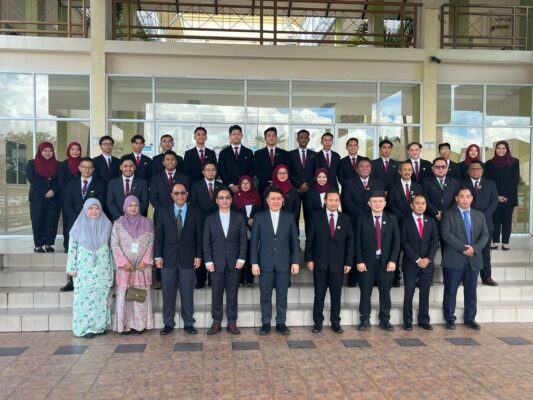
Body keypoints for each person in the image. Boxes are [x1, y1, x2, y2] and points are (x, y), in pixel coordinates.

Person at [155, 183, 203, 336]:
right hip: (167, 258)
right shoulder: (162, 212)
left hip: (188, 258)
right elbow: (159, 236)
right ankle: (168, 323)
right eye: (176, 193)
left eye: (182, 193)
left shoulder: (196, 212)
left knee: (187, 292)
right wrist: (158, 256)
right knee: (168, 292)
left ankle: (188, 322)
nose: (180, 196)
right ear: (172, 195)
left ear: (187, 194)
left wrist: (198, 255)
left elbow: (199, 237)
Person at [251, 186, 300, 336]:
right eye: (272, 198)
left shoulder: (289, 217)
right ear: (267, 201)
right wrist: (254, 262)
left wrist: (296, 261)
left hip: (284, 263)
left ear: (283, 200)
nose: (276, 201)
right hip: (265, 263)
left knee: (282, 295)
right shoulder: (259, 217)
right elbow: (254, 242)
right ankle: (265, 322)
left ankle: (281, 322)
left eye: (279, 198)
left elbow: (294, 242)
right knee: (265, 295)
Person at [440, 187, 489, 330]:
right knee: (450, 290)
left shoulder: (479, 215)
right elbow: (446, 234)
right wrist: (464, 248)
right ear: (456, 198)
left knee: (471, 291)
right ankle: (449, 318)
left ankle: (470, 318)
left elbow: (485, 235)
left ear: (472, 199)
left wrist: (474, 249)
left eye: (468, 196)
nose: (465, 199)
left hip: (473, 259)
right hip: (454, 259)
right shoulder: (448, 214)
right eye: (462, 196)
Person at [305, 190, 354, 333]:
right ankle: (317, 322)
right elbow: (310, 240)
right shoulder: (316, 217)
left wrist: (348, 262)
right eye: (331, 200)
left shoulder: (345, 219)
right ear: (325, 201)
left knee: (336, 294)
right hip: (320, 262)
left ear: (339, 202)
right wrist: (309, 258)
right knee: (319, 294)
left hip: (338, 264)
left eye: (336, 200)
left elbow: (350, 242)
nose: (333, 203)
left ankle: (335, 322)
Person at [203, 187, 248, 335]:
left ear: (231, 199)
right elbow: (206, 242)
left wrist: (241, 258)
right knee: (216, 293)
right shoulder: (210, 219)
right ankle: (216, 322)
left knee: (232, 293)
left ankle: (232, 322)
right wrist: (208, 261)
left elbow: (243, 239)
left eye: (227, 197)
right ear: (216, 200)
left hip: (234, 263)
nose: (224, 200)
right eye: (221, 198)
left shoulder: (239, 217)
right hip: (215, 263)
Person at [66, 199, 113, 338]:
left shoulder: (107, 225)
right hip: (83, 270)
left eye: (96, 208)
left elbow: (112, 248)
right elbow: (72, 249)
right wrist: (71, 268)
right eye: (90, 208)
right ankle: (85, 328)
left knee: (101, 298)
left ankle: (100, 326)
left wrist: (113, 268)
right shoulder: (78, 226)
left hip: (102, 269)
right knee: (84, 299)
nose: (94, 211)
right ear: (85, 210)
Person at [355, 190, 400, 332]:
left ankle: (385, 319)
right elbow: (357, 242)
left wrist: (393, 260)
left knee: (385, 292)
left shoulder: (392, 219)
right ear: (369, 203)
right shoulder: (361, 219)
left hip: (386, 262)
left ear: (385, 203)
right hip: (366, 263)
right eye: (374, 201)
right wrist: (359, 261)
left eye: (380, 201)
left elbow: (396, 242)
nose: (377, 204)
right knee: (365, 292)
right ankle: (364, 319)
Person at [60, 157, 105, 292]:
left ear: (93, 169)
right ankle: (71, 282)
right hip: (75, 224)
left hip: (93, 224)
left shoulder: (100, 185)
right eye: (83, 167)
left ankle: (90, 279)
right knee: (73, 253)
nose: (86, 169)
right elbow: (67, 204)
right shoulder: (71, 184)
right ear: (79, 168)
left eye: (89, 167)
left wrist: (89, 217)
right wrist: (79, 218)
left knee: (89, 252)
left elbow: (100, 203)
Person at [111, 195, 154, 335]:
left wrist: (145, 261)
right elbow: (114, 245)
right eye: (130, 205)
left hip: (142, 268)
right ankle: (125, 325)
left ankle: (139, 325)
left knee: (139, 296)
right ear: (125, 207)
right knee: (125, 297)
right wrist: (124, 262)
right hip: (126, 269)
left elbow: (151, 244)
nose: (133, 208)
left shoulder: (147, 223)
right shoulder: (118, 224)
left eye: (136, 205)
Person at [340, 158, 383, 287]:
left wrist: (370, 215)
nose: (365, 168)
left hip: (374, 222)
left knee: (372, 246)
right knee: (355, 247)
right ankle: (353, 277)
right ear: (357, 169)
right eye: (362, 166)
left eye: (367, 166)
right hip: (355, 221)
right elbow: (347, 202)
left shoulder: (378, 183)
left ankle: (374, 277)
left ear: (371, 168)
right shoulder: (349, 183)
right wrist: (363, 216)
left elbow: (380, 202)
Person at [400, 195, 439, 331]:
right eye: (417, 203)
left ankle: (424, 320)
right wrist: (417, 259)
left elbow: (435, 242)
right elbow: (404, 242)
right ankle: (408, 321)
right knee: (409, 293)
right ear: (412, 205)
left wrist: (428, 259)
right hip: (411, 264)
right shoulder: (405, 222)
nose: (420, 206)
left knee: (425, 293)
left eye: (423, 203)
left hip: (427, 265)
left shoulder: (431, 221)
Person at [463, 161, 498, 286]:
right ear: (468, 171)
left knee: (485, 252)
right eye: (473, 169)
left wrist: (483, 216)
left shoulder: (490, 184)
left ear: (482, 171)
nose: (476, 171)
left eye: (478, 169)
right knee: (466, 250)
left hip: (486, 223)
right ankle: (464, 277)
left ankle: (486, 277)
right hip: (466, 222)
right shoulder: (463, 183)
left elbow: (494, 201)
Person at [189, 161, 222, 289]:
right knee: (202, 250)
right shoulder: (196, 186)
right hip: (201, 223)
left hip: (217, 224)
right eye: (208, 169)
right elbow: (194, 204)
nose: (210, 172)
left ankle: (213, 279)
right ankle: (201, 280)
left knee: (216, 250)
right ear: (203, 172)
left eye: (213, 169)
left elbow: (224, 204)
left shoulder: (221, 185)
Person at [26, 142, 61, 253]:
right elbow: (31, 178)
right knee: (37, 220)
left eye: (50, 151)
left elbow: (60, 180)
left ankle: (49, 244)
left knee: (51, 221)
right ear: (40, 151)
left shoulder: (58, 164)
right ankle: (38, 245)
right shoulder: (32, 163)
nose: (48, 153)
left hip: (54, 198)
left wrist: (53, 191)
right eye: (45, 151)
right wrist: (45, 191)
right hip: (37, 198)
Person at [485, 141, 520, 251]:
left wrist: (504, 195)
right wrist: (497, 196)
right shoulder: (489, 163)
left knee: (506, 219)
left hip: (509, 197)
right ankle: (495, 241)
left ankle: (505, 242)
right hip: (494, 197)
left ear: (507, 150)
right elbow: (489, 181)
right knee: (495, 219)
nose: (501, 150)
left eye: (503, 148)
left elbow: (514, 180)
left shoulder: (514, 162)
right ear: (495, 149)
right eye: (498, 148)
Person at [233, 175, 262, 287]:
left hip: (253, 230)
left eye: (247, 183)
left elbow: (260, 211)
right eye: (243, 183)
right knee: (240, 254)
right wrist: (247, 220)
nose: (245, 185)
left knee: (251, 253)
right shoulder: (235, 197)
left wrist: (253, 220)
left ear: (251, 184)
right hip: (240, 230)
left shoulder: (256, 196)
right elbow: (235, 213)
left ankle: (250, 279)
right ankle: (240, 279)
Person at [289, 129, 317, 234]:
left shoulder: (314, 155)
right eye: (301, 137)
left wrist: (307, 185)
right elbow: (289, 172)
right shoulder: (290, 154)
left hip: (309, 191)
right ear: (297, 139)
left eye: (306, 137)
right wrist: (299, 185)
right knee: (294, 216)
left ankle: (309, 241)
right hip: (295, 190)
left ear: (309, 139)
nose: (304, 139)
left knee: (309, 216)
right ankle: (295, 241)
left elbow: (316, 173)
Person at [149, 150, 190, 218]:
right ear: (163, 163)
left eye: (172, 159)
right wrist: (163, 211)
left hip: (178, 214)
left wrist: (176, 209)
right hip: (160, 214)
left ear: (176, 162)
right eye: (167, 159)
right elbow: (152, 198)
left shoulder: (184, 178)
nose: (170, 162)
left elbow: (187, 195)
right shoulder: (156, 178)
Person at [58, 141, 82, 252]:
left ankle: (81, 244)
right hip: (67, 198)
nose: (75, 151)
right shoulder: (63, 165)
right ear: (68, 151)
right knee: (68, 221)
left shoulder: (84, 163)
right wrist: (71, 192)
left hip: (82, 198)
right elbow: (61, 181)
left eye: (77, 149)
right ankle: (67, 245)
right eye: (72, 149)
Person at [253, 127, 290, 195]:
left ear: (276, 138)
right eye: (269, 135)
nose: (271, 137)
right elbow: (257, 170)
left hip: (280, 186)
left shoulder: (284, 154)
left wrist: (276, 181)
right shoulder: (258, 154)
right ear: (265, 138)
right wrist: (269, 181)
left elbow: (287, 169)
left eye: (273, 135)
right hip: (264, 186)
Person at [218, 125, 254, 193]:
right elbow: (221, 170)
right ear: (230, 136)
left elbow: (251, 170)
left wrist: (244, 184)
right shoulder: (223, 153)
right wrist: (230, 185)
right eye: (234, 134)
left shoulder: (248, 152)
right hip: (228, 188)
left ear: (242, 135)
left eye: (238, 134)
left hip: (245, 188)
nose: (236, 136)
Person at [422, 157, 460, 221]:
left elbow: (457, 199)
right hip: (432, 217)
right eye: (437, 167)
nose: (440, 169)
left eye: (443, 166)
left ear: (447, 168)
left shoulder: (454, 182)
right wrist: (436, 213)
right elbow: (425, 199)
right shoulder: (426, 182)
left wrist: (447, 213)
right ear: (432, 168)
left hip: (450, 217)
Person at [92, 135, 121, 219]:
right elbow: (94, 179)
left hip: (114, 196)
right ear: (100, 146)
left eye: (110, 144)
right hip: (101, 195)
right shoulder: (95, 161)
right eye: (105, 144)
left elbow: (119, 179)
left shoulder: (118, 161)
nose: (108, 146)